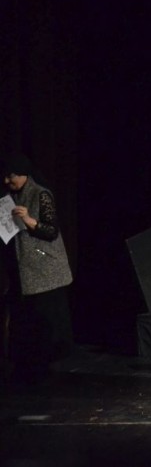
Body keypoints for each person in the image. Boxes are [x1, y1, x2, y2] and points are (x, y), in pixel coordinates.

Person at [2, 154, 73, 383]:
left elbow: (51, 230)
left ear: (23, 174)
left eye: (11, 176)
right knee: (24, 315)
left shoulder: (41, 194)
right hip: (22, 267)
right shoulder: (10, 196)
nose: (7, 181)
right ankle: (25, 361)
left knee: (44, 315)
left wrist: (29, 219)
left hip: (43, 267)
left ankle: (45, 361)